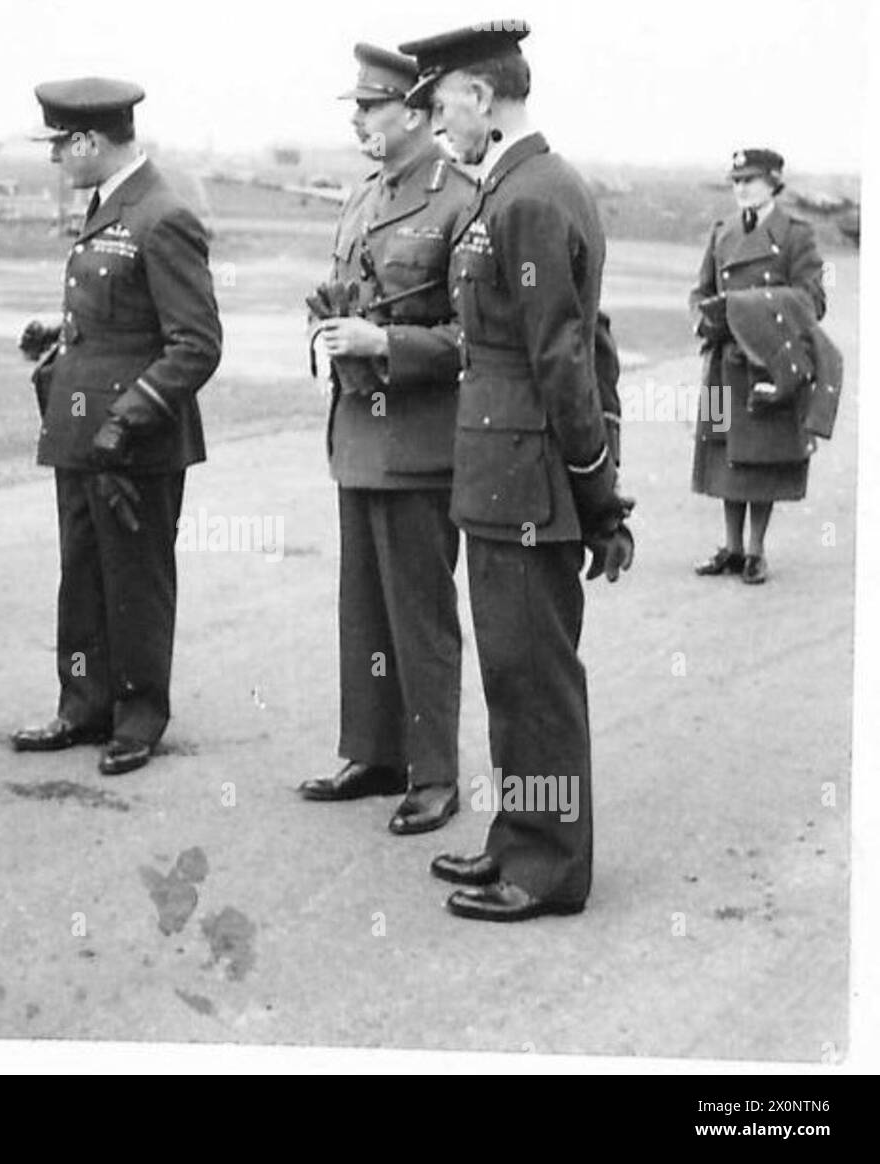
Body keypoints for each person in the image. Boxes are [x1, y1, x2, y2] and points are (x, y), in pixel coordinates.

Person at [398, 22, 635, 921]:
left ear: (484, 97)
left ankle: (549, 866)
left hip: (531, 479)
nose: (437, 119)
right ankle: (515, 837)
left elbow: (566, 361)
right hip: (500, 476)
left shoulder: (533, 196)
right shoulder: (512, 186)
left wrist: (596, 491)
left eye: (443, 100)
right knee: (509, 669)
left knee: (535, 676)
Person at [13, 78, 222, 776]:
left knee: (135, 580)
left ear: (88, 142)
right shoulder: (111, 207)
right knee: (82, 574)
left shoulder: (162, 216)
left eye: (58, 148)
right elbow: (117, 317)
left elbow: (195, 343)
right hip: (80, 435)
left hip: (135, 444)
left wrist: (128, 417)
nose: (54, 162)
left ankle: (138, 716)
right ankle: (82, 706)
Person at [296, 44, 475, 836]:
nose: (358, 119)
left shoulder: (460, 200)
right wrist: (329, 333)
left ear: (415, 109)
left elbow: (478, 338)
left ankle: (435, 773)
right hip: (359, 437)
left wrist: (386, 347)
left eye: (370, 106)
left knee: (419, 614)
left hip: (422, 441)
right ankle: (373, 751)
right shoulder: (363, 197)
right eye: (357, 107)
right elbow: (348, 293)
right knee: (363, 608)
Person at [690, 148, 826, 585]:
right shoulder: (722, 232)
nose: (740, 188)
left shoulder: (795, 236)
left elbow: (812, 300)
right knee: (720, 451)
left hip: (766, 363)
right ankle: (731, 547)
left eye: (750, 180)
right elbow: (701, 290)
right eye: (735, 181)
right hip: (720, 364)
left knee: (762, 456)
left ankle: (756, 551)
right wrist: (704, 316)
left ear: (773, 183)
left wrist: (750, 309)